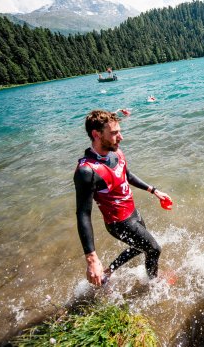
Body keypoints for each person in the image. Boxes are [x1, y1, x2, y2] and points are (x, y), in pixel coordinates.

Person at [74, 109, 171, 286]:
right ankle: (154, 284)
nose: (121, 137)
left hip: (132, 212)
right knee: (154, 249)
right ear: (96, 134)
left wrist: (154, 191)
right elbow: (83, 214)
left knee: (140, 247)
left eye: (119, 131)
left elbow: (126, 174)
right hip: (118, 223)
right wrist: (91, 259)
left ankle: (108, 272)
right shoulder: (86, 171)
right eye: (114, 133)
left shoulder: (115, 152)